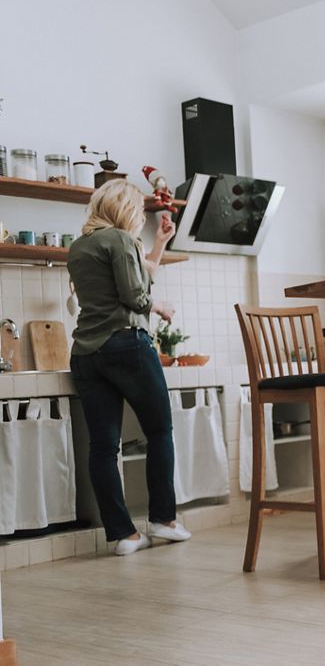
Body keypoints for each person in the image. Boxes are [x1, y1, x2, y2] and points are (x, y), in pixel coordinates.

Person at [68, 180, 192, 556]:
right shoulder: (120, 240)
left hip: (87, 355)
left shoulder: (79, 247)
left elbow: (136, 275)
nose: (140, 217)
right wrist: (159, 306)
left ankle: (124, 535)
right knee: (159, 430)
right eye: (138, 211)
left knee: (104, 446)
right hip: (126, 345)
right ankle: (162, 520)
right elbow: (134, 294)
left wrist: (160, 244)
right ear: (125, 209)